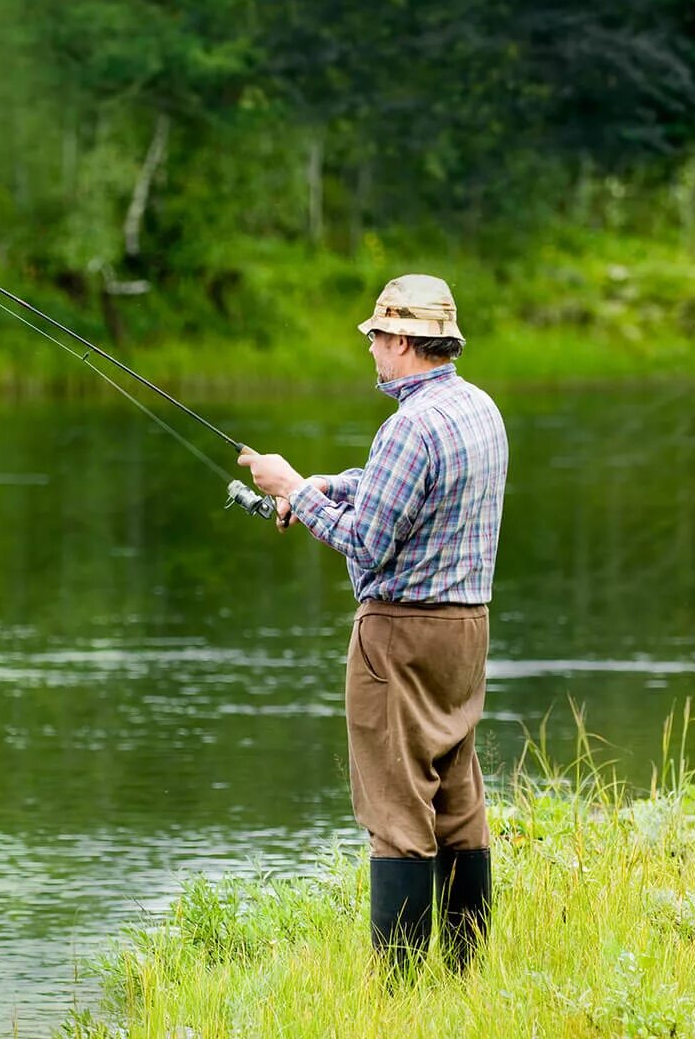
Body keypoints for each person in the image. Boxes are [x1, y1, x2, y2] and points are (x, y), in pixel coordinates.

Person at [238, 273, 508, 974]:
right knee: (457, 798)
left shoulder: (409, 426)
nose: (373, 352)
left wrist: (291, 487)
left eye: (379, 339)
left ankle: (401, 988)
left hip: (399, 638)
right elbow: (409, 491)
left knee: (395, 812)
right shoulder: (478, 408)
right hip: (466, 635)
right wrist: (334, 484)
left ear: (407, 341)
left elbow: (367, 543)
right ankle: (467, 969)